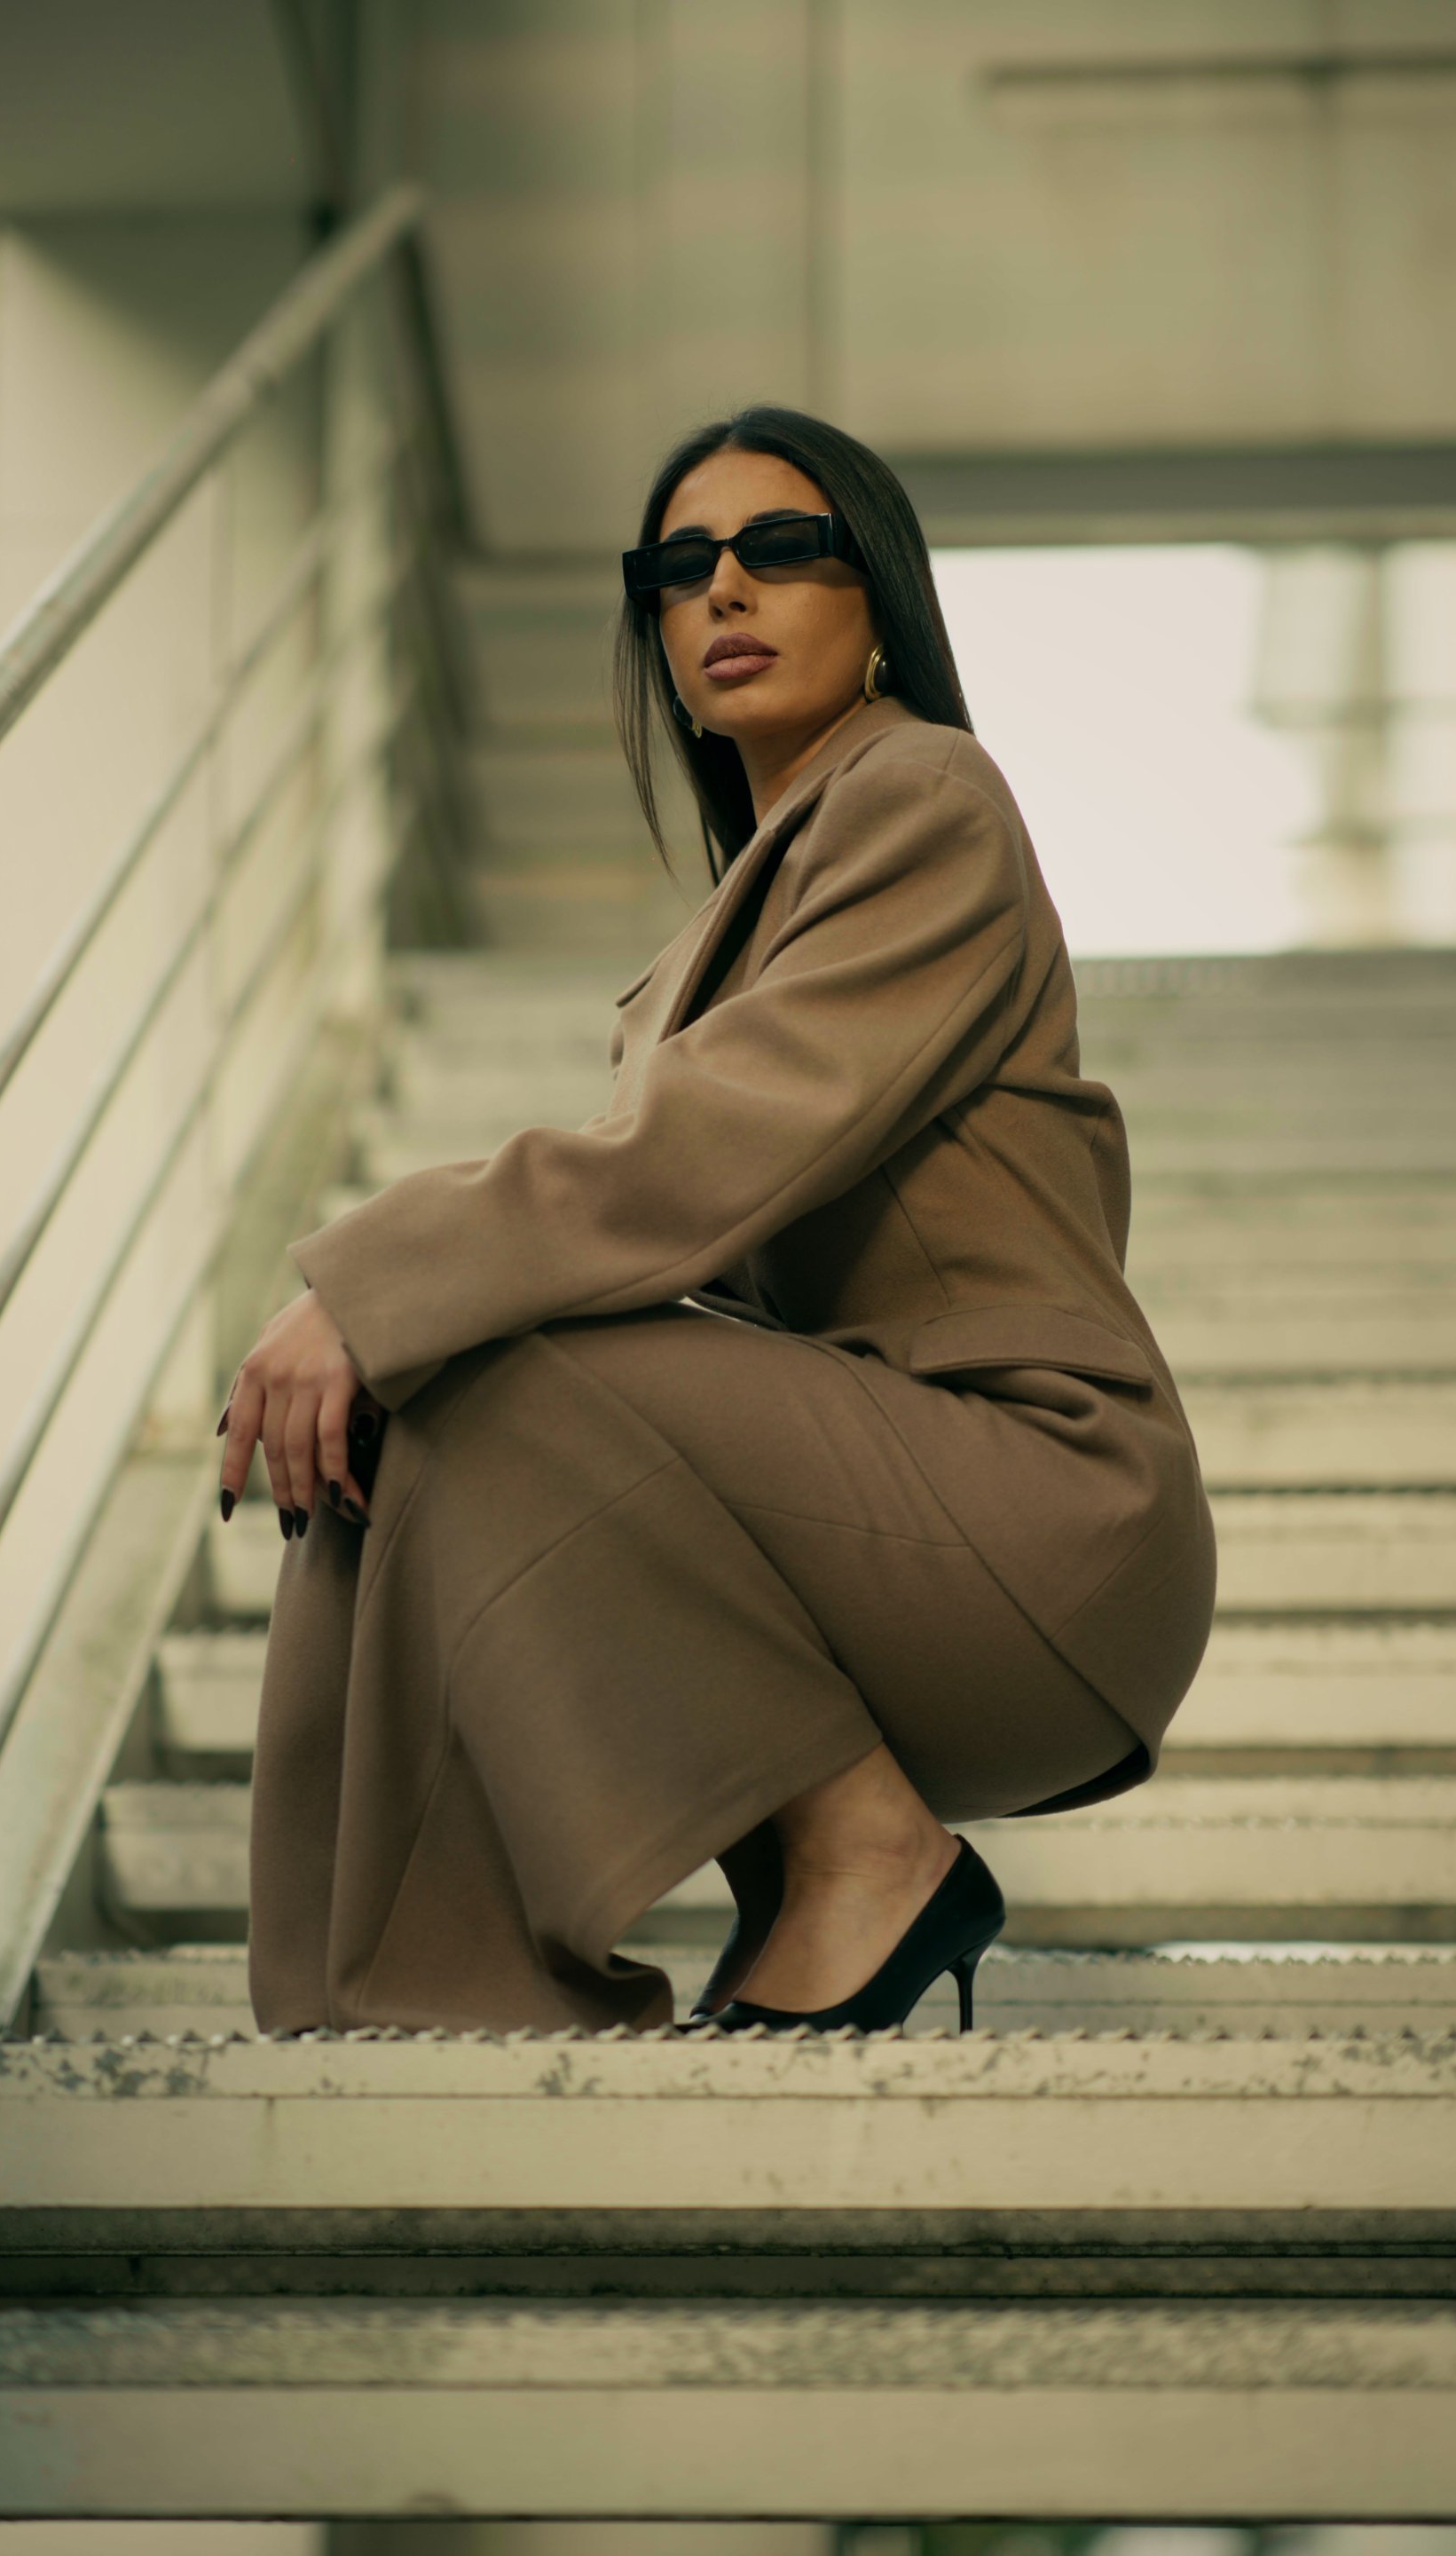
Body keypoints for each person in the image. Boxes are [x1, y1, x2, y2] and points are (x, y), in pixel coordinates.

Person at [221, 404, 1216, 2039]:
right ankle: (396, 2014)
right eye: (680, 569)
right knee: (409, 1412)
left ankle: (866, 1851)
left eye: (782, 549)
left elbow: (690, 1157)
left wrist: (368, 1281)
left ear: (879, 598)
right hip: (881, 1519)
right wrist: (394, 1323)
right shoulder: (760, 902)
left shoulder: (926, 797)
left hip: (1043, 1510)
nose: (723, 590)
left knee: (487, 1352)